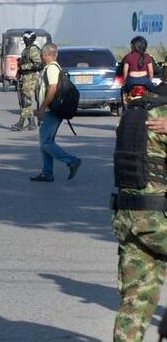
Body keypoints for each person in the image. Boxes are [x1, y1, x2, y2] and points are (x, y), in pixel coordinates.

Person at [111, 83, 167, 341]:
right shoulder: (163, 116)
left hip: (128, 216)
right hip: (158, 220)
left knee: (135, 301)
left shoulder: (134, 110)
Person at [30, 43, 82, 182]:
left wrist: (42, 108)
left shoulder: (52, 69)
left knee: (46, 143)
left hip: (50, 111)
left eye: (42, 54)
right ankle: (47, 173)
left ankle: (71, 161)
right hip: (50, 110)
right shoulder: (51, 68)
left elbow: (52, 89)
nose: (41, 57)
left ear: (47, 54)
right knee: (45, 142)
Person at [12, 30, 43, 131]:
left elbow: (38, 65)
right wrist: (19, 71)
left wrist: (23, 66)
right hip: (25, 76)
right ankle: (31, 123)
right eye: (24, 38)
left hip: (31, 76)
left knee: (26, 100)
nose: (25, 40)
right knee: (25, 100)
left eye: (27, 38)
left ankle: (21, 122)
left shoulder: (33, 49)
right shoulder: (26, 49)